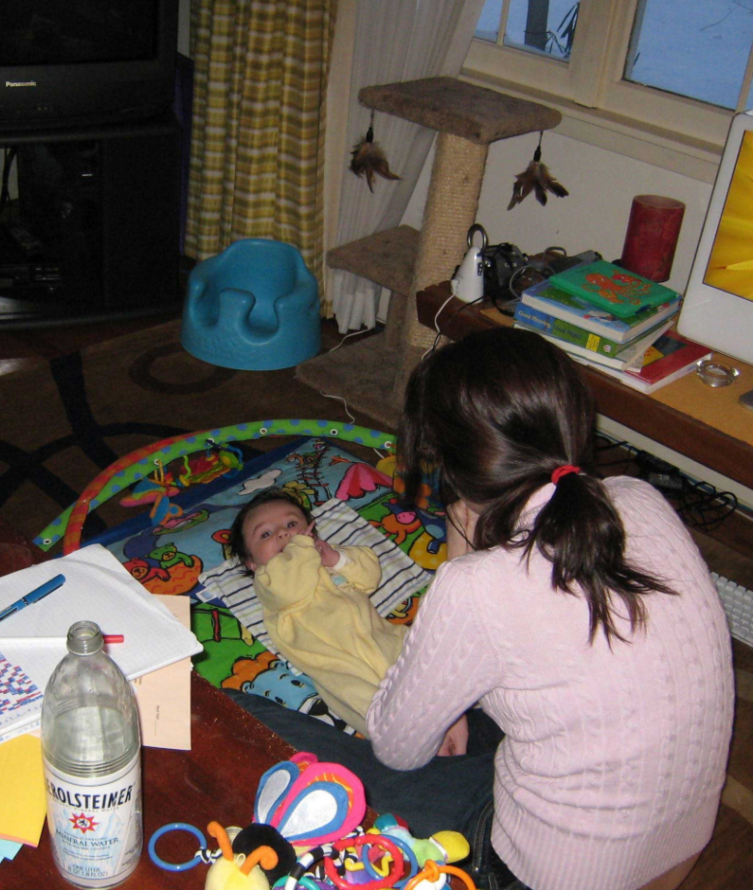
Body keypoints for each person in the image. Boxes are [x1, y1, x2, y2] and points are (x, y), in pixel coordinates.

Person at [226, 329, 733, 890]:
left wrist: (457, 547)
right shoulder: (640, 499)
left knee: (237, 716)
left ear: (447, 462)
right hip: (679, 844)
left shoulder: (475, 587)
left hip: (544, 870)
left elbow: (399, 748)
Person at [229, 488, 407, 735]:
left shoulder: (326, 557)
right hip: (336, 663)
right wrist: (301, 546)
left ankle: (452, 701)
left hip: (382, 638)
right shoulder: (268, 580)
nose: (283, 533)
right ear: (252, 563)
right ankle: (400, 734)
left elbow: (369, 576)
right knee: (363, 699)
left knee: (419, 652)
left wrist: (337, 559)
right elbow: (291, 590)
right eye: (266, 534)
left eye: (291, 524)